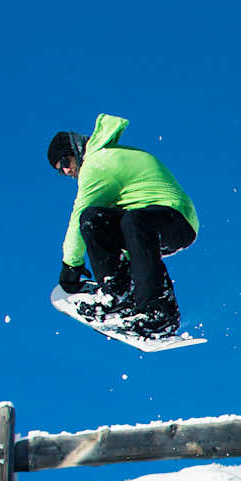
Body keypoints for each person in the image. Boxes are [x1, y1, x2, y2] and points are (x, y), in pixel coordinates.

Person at [49, 115, 200, 339]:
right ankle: (119, 293)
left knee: (117, 219)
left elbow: (77, 214)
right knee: (95, 219)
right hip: (144, 224)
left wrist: (71, 267)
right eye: (59, 171)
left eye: (64, 163)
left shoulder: (97, 164)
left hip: (177, 220)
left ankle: (159, 314)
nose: (66, 171)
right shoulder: (99, 161)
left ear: (75, 149)